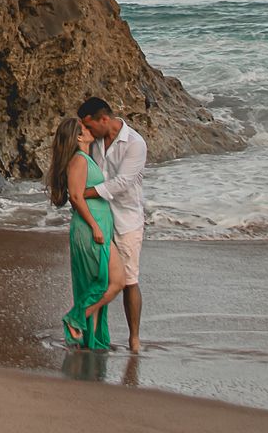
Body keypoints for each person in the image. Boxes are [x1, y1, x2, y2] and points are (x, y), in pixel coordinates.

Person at [45, 116, 125, 349]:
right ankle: (76, 318)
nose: (90, 130)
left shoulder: (85, 158)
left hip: (96, 227)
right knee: (112, 282)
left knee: (99, 282)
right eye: (85, 128)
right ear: (79, 136)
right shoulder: (79, 160)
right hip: (90, 228)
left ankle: (93, 340)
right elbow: (76, 197)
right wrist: (95, 226)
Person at [77, 96, 147, 351]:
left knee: (128, 280)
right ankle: (93, 335)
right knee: (98, 276)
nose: (87, 131)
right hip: (98, 216)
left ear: (104, 119)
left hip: (127, 220)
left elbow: (121, 183)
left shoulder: (135, 144)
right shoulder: (94, 139)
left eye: (90, 126)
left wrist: (83, 194)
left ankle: (134, 338)